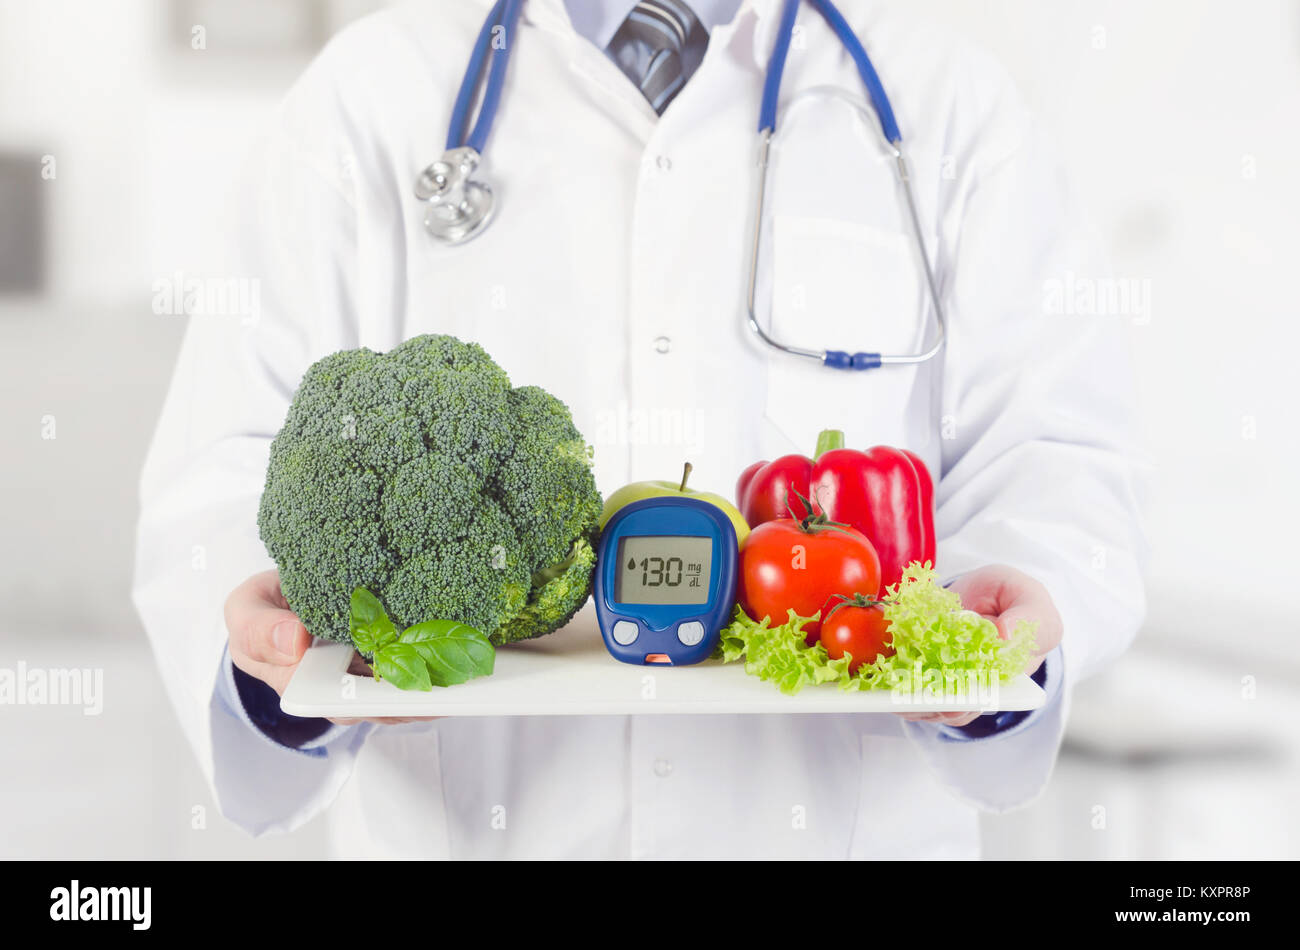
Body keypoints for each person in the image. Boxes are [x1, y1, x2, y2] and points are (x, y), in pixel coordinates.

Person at [132, 0, 1146, 858]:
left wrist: (995, 629)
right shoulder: (363, 99)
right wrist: (272, 652)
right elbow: (219, 472)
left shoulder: (950, 106)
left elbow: (1055, 454)